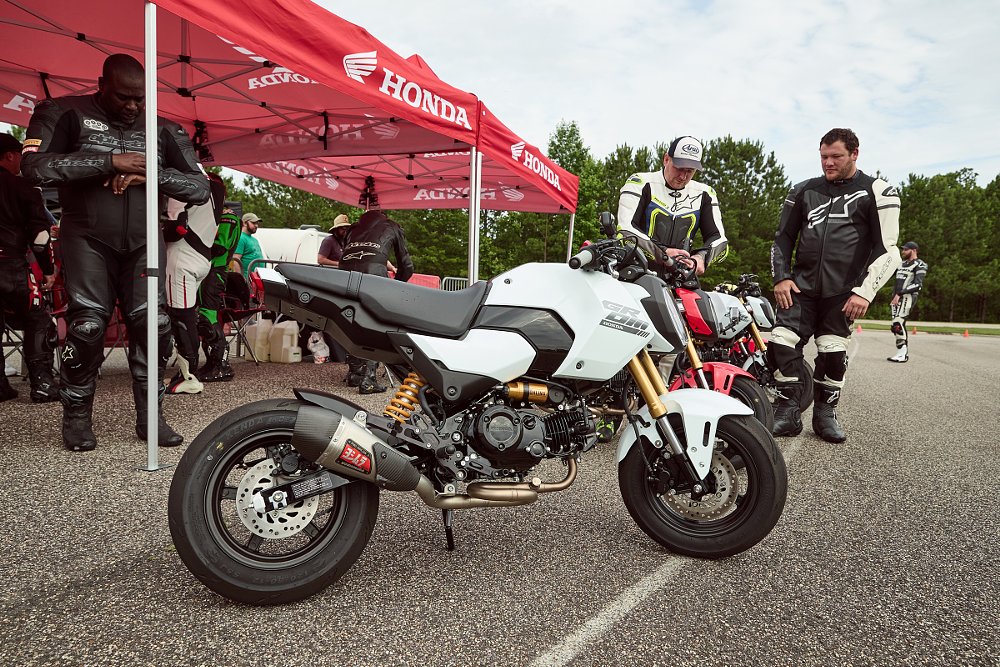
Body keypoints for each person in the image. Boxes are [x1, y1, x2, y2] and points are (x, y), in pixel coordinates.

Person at [21, 53, 210, 452]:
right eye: (124, 97)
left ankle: (152, 418)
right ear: (101, 84)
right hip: (86, 237)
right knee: (87, 327)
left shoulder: (162, 127)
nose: (133, 106)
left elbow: (199, 188)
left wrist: (150, 173)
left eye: (140, 99)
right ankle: (75, 418)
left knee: (154, 326)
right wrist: (109, 162)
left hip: (144, 242)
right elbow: (34, 167)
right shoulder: (62, 111)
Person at [769, 128, 901, 443]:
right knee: (780, 343)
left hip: (844, 292)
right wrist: (781, 277)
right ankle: (787, 412)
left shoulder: (878, 191)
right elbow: (783, 238)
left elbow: (888, 250)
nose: (828, 163)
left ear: (855, 154)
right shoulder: (803, 190)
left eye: (836, 157)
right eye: (824, 157)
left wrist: (864, 292)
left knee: (832, 355)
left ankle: (825, 415)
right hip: (800, 288)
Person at [0, 133, 59, 403]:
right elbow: (40, 237)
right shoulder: (23, 188)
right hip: (11, 265)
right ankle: (43, 384)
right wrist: (48, 270)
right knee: (38, 319)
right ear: (11, 156)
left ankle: (1, 386)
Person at [617, 135, 728, 277]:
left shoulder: (705, 193)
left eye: (690, 171)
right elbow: (625, 230)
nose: (683, 176)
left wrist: (700, 258)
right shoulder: (640, 182)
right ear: (666, 159)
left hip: (680, 278)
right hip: (636, 274)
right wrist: (663, 253)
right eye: (679, 168)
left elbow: (720, 240)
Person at [163, 169, 227, 394]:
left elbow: (176, 227)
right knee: (187, 316)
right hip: (202, 257)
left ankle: (188, 375)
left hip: (183, 256)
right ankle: (189, 371)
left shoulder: (181, 180)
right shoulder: (216, 185)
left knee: (182, 317)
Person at [338, 208, 414, 394]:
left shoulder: (352, 229)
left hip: (344, 275)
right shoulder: (392, 226)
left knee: (351, 320)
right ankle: (369, 378)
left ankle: (354, 373)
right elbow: (407, 265)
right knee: (376, 324)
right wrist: (397, 286)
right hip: (373, 275)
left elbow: (347, 255)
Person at [196, 197, 241, 383]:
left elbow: (220, 246)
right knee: (203, 318)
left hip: (216, 272)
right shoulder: (216, 217)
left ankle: (220, 365)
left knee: (208, 317)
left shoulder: (228, 218)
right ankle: (212, 363)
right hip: (207, 271)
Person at [887, 241, 928, 363]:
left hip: (908, 297)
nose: (903, 252)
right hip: (896, 298)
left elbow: (917, 285)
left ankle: (902, 354)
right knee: (895, 326)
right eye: (903, 249)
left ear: (914, 250)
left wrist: (900, 294)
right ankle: (901, 352)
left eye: (906, 250)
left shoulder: (920, 265)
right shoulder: (900, 264)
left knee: (898, 323)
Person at [232, 213, 263, 279]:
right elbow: (236, 260)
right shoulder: (241, 238)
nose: (256, 225)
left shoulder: (255, 240)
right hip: (247, 280)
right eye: (254, 223)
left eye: (257, 223)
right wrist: (239, 279)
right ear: (244, 223)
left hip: (256, 280)